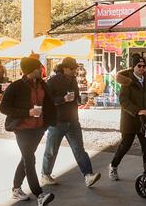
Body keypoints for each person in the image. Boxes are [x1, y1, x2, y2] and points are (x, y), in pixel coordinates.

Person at [0, 57, 57, 206]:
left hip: (38, 129)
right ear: (32, 70)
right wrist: (28, 112)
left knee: (26, 158)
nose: (41, 70)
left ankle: (16, 189)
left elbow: (49, 104)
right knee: (29, 159)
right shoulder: (16, 86)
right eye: (39, 68)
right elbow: (4, 108)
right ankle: (39, 195)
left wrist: (47, 123)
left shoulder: (42, 84)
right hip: (22, 129)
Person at [41, 57, 101, 187]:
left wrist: (85, 99)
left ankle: (88, 175)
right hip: (57, 121)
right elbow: (47, 100)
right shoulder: (53, 81)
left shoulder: (73, 80)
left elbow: (77, 98)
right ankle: (45, 174)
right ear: (65, 68)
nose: (75, 71)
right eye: (72, 68)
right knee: (51, 150)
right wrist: (63, 99)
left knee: (79, 149)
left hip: (73, 120)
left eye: (76, 68)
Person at [108, 54, 146, 181]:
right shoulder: (127, 81)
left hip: (144, 121)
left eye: (143, 66)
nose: (142, 68)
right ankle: (113, 166)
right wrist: (137, 111)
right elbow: (124, 101)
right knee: (125, 145)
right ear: (133, 67)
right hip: (130, 120)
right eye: (139, 66)